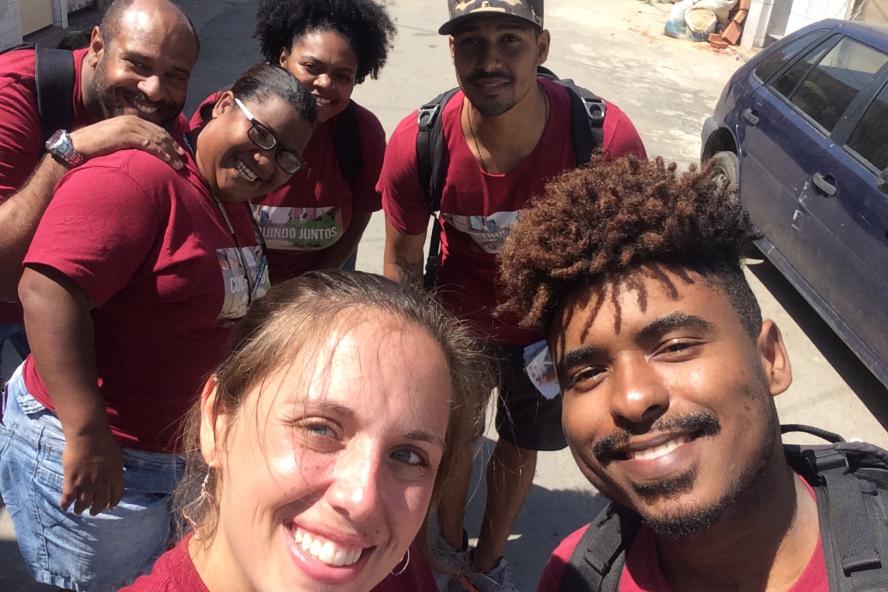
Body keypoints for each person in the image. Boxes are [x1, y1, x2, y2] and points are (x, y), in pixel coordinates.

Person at [498, 155, 887, 591]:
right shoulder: (574, 577)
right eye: (587, 373)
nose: (631, 398)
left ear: (771, 358)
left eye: (676, 347)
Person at [0, 63, 317, 591]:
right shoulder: (139, 179)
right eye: (261, 134)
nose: (266, 161)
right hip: (106, 458)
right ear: (221, 106)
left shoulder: (225, 200)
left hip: (169, 459)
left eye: (285, 157)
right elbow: (47, 290)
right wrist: (87, 433)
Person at [377, 0, 646, 588]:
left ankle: (485, 564)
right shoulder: (419, 143)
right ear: (451, 50)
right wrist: (402, 353)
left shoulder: (602, 137)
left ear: (542, 49)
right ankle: (447, 544)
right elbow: (400, 257)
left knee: (520, 448)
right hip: (458, 320)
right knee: (454, 441)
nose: (490, 59)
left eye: (510, 40)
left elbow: (629, 257)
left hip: (549, 330)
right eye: (471, 42)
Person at [120, 271, 494, 592]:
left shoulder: (400, 575)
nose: (363, 501)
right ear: (218, 421)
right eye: (319, 428)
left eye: (408, 455)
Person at [0, 0, 199, 377]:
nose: (154, 91)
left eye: (176, 76)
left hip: (59, 302)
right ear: (96, 47)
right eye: (138, 65)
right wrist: (69, 152)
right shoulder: (13, 94)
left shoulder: (161, 121)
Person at [190, 0, 395, 282]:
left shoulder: (361, 134)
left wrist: (315, 283)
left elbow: (360, 214)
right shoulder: (232, 114)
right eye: (312, 66)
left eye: (342, 76)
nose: (325, 83)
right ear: (283, 57)